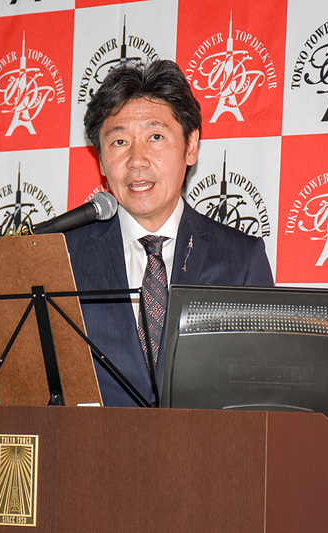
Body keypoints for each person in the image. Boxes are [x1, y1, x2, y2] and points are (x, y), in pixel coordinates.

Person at [65, 59, 273, 407]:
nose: (137, 160)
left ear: (190, 146)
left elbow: (259, 396)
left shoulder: (241, 260)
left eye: (156, 137)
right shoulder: (65, 256)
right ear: (100, 159)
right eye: (119, 142)